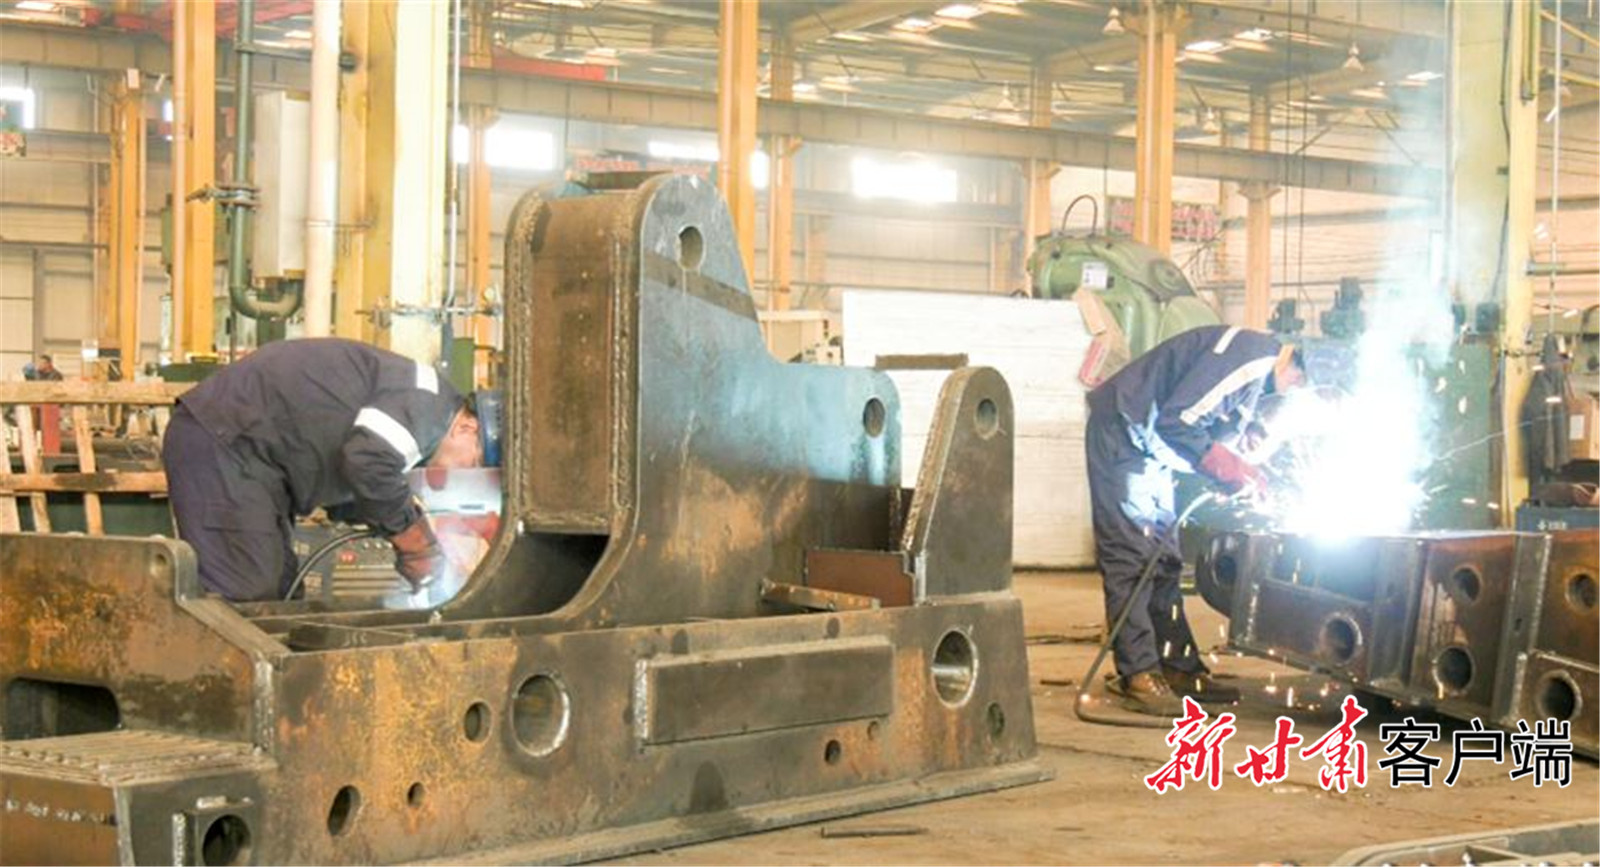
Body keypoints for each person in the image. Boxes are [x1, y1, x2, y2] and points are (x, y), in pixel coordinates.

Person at [162, 338, 494, 602]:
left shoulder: (425, 409)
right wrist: (416, 544)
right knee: (247, 592)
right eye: (476, 461)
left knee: (281, 594)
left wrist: (406, 525)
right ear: (467, 427)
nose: (469, 471)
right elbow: (366, 463)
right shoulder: (427, 409)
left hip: (254, 458)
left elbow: (360, 477)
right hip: (223, 439)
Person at [1084, 325, 1305, 716]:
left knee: (1164, 559)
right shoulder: (1253, 359)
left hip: (1149, 449)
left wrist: (1237, 455)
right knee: (1132, 557)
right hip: (1123, 432)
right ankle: (1138, 674)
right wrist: (1226, 467)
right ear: (1296, 363)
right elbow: (1178, 421)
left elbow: (1204, 422)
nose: (1295, 391)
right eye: (1300, 383)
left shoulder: (1256, 379)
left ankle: (1177, 666)